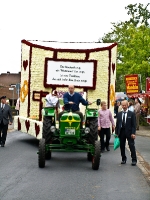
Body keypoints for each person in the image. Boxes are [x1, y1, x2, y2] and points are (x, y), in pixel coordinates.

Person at [115, 100, 137, 166]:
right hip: (121, 132)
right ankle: (123, 159)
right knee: (122, 146)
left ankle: (134, 160)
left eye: (125, 105)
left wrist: (133, 133)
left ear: (127, 105)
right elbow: (117, 124)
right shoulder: (119, 114)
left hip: (129, 132)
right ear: (121, 105)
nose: (124, 106)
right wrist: (116, 133)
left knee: (131, 146)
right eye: (123, 105)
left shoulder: (131, 114)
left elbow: (134, 125)